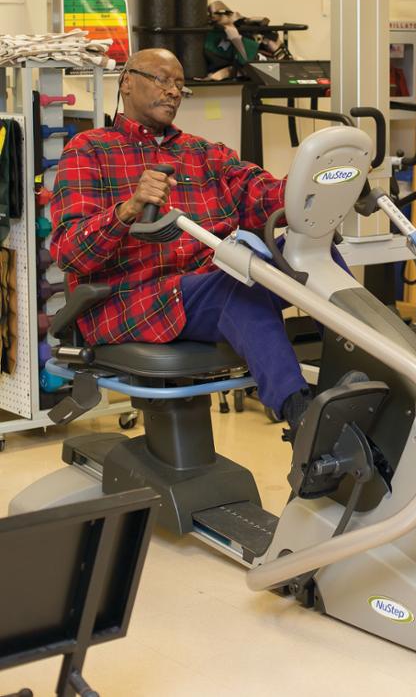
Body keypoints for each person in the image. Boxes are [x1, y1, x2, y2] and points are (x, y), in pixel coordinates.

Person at [50, 47, 310, 435]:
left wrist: (314, 188)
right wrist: (129, 208)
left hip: (205, 290)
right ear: (126, 82)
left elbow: (263, 195)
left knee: (309, 255)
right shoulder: (89, 149)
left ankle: (376, 377)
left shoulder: (205, 152)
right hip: (132, 298)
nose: (173, 91)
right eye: (162, 79)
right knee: (235, 287)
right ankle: (304, 419)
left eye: (180, 86)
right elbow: (70, 252)